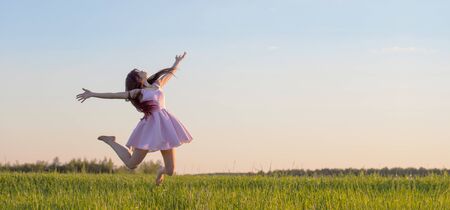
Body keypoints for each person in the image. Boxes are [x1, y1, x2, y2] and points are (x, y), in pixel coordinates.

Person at [76, 52, 193, 186]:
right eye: (138, 72)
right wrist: (92, 94)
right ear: (138, 79)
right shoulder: (137, 93)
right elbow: (113, 95)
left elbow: (169, 74)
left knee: (170, 171)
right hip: (150, 128)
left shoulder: (157, 85)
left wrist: (177, 62)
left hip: (166, 126)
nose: (142, 70)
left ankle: (160, 171)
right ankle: (110, 141)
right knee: (132, 164)